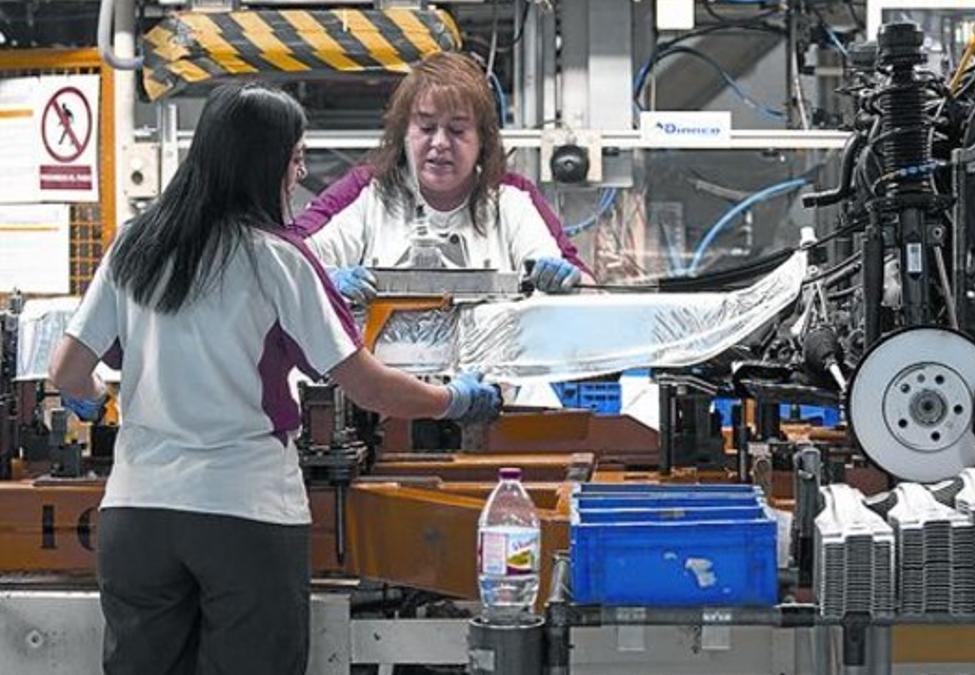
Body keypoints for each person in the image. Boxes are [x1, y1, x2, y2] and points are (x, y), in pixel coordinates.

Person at [48, 82, 499, 675]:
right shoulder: (277, 258)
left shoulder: (137, 242)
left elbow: (67, 371)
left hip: (137, 516)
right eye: (295, 156)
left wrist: (93, 401)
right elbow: (368, 387)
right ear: (262, 164)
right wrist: (456, 400)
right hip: (244, 514)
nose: (300, 171)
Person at [305, 52, 586, 303]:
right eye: (426, 127)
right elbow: (289, 259)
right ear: (404, 132)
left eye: (457, 130)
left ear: (483, 139)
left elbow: (580, 284)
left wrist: (564, 281)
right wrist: (326, 278)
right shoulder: (370, 194)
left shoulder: (511, 201)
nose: (440, 143)